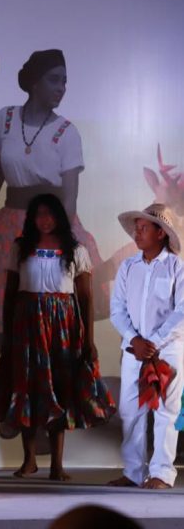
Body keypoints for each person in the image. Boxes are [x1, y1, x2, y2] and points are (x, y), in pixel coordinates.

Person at [0, 49, 103, 348]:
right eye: (53, 80)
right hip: (9, 221)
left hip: (51, 223)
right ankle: (10, 384)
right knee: (4, 307)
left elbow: (70, 194)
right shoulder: (5, 119)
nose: (61, 88)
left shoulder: (67, 132)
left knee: (48, 305)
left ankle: (45, 384)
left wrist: (64, 237)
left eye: (64, 81)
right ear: (34, 82)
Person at [0, 194, 115, 481]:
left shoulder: (77, 250)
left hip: (63, 328)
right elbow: (10, 294)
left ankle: (57, 464)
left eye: (50, 214)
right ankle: (29, 460)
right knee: (27, 387)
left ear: (59, 217)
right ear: (32, 218)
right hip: (26, 324)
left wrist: (88, 339)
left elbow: (85, 297)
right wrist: (7, 333)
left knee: (59, 389)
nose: (44, 220)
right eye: (39, 214)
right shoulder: (20, 248)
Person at [109, 203, 184, 490]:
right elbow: (117, 310)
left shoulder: (177, 268)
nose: (137, 234)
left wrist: (154, 342)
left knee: (166, 410)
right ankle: (133, 472)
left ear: (161, 233)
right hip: (134, 350)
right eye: (136, 229)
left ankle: (162, 474)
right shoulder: (128, 267)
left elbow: (182, 310)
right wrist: (134, 340)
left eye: (143, 228)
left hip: (167, 350)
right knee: (130, 410)